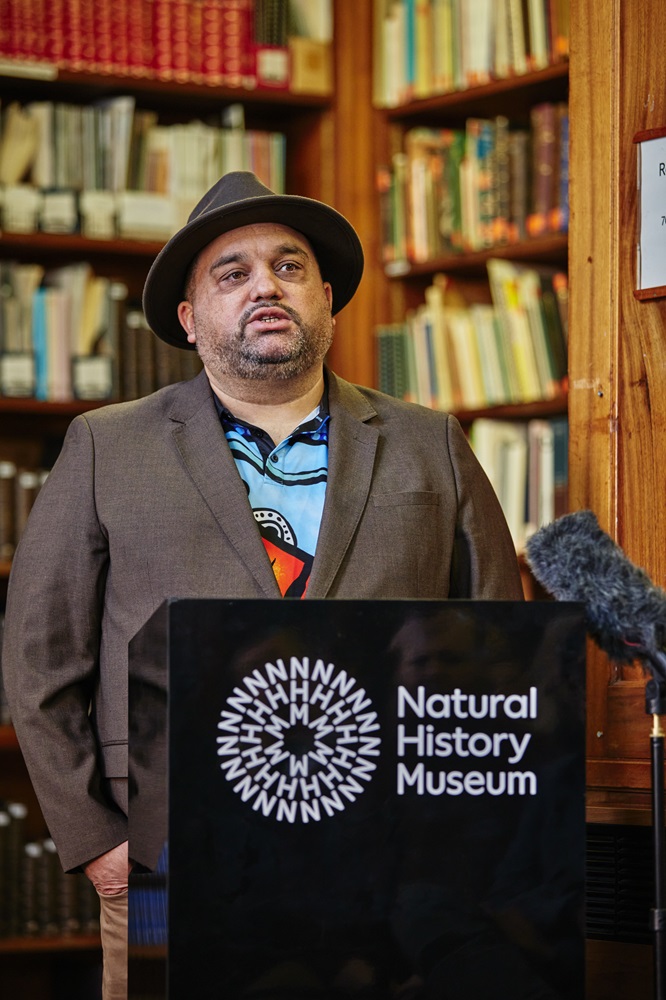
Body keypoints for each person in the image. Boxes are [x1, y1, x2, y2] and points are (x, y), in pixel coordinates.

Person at [1, 171, 524, 999]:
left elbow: (498, 649)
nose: (265, 287)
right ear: (189, 318)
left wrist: (473, 836)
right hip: (171, 847)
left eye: (288, 267)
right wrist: (97, 839)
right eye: (232, 273)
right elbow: (40, 657)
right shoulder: (106, 447)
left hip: (397, 852)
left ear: (328, 301)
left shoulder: (431, 444)